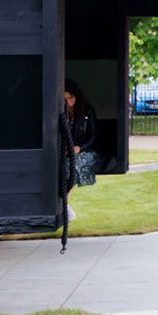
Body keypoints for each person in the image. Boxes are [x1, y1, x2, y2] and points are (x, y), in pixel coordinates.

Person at [62, 80, 99, 218]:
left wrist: (79, 147)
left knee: (74, 166)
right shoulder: (60, 111)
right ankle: (64, 204)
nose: (68, 102)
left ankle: (64, 203)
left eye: (70, 98)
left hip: (84, 150)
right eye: (64, 99)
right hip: (66, 151)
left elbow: (93, 136)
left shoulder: (87, 110)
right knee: (62, 167)